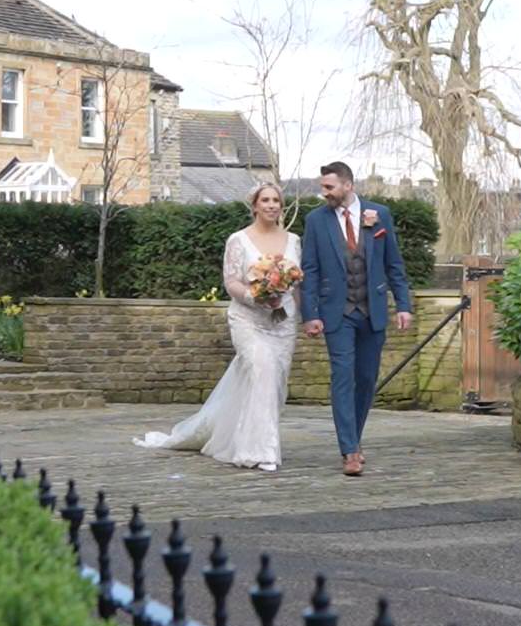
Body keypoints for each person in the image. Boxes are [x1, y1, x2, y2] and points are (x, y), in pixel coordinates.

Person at [133, 182, 299, 471]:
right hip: (248, 320)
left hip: (282, 321)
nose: (272, 205)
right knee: (263, 369)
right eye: (266, 200)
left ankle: (234, 434)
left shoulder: (293, 240)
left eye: (276, 200)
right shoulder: (239, 240)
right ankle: (258, 451)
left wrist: (304, 314)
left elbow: (297, 284)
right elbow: (231, 281)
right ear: (255, 205)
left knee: (273, 381)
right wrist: (255, 296)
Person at [300, 161, 412, 476]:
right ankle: (349, 450)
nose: (324, 193)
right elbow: (309, 270)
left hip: (373, 311)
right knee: (343, 377)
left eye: (329, 187)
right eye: (323, 187)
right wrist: (310, 314)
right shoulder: (316, 221)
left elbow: (394, 265)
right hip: (338, 314)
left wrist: (404, 305)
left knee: (365, 380)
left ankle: (355, 439)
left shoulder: (379, 215)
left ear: (348, 185)